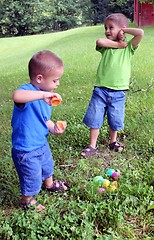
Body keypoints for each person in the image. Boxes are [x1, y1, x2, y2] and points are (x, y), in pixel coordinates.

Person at [11, 50, 69, 212]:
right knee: (32, 176)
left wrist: (54, 128)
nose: (57, 84)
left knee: (47, 165)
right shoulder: (28, 92)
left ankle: (49, 184)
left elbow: (44, 119)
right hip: (26, 149)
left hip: (41, 143)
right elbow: (17, 96)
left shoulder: (46, 97)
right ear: (39, 79)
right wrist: (41, 95)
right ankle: (27, 200)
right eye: (55, 80)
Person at [81, 13, 144, 158]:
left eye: (111, 28)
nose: (107, 31)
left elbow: (140, 33)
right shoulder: (107, 47)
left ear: (122, 29)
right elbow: (99, 41)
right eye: (105, 28)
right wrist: (118, 44)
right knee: (95, 117)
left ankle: (113, 142)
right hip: (101, 89)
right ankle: (92, 145)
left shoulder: (128, 48)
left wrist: (125, 31)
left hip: (119, 92)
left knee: (115, 118)